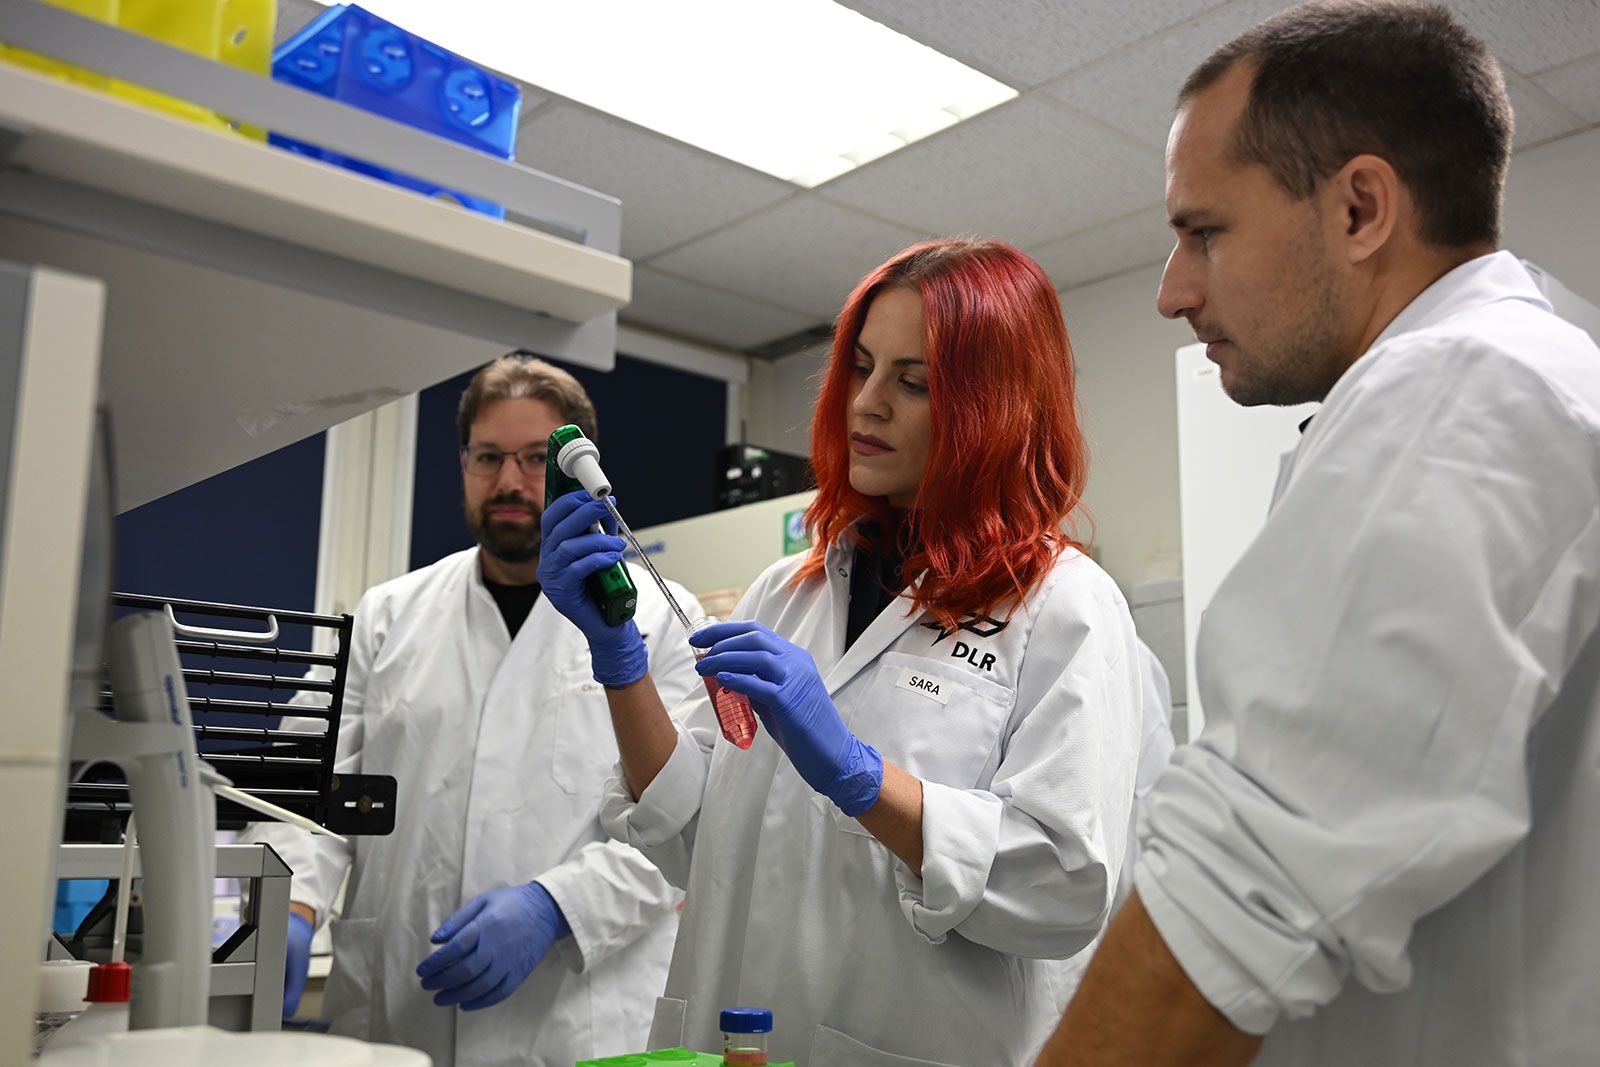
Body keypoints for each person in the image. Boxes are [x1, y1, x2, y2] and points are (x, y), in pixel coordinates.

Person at [1036, 4, 1600, 1065]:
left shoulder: (1460, 391)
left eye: (1203, 232)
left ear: (1358, 210)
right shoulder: (1527, 371)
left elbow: (1234, 893)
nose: (1172, 291)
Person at [538, 237, 1146, 1066]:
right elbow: (687, 839)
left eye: (913, 381)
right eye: (860, 368)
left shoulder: (1065, 607)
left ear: (995, 405)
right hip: (729, 1038)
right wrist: (619, 660)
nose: (867, 403)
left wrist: (858, 776)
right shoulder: (789, 589)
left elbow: (1063, 887)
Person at [241, 355, 704, 1067]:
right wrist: (293, 907)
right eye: (489, 457)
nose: (511, 482)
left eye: (532, 459)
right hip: (401, 1010)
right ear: (463, 463)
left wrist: (555, 906)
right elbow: (307, 792)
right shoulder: (385, 617)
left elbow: (685, 824)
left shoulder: (658, 619)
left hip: (578, 1020)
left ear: (578, 468)